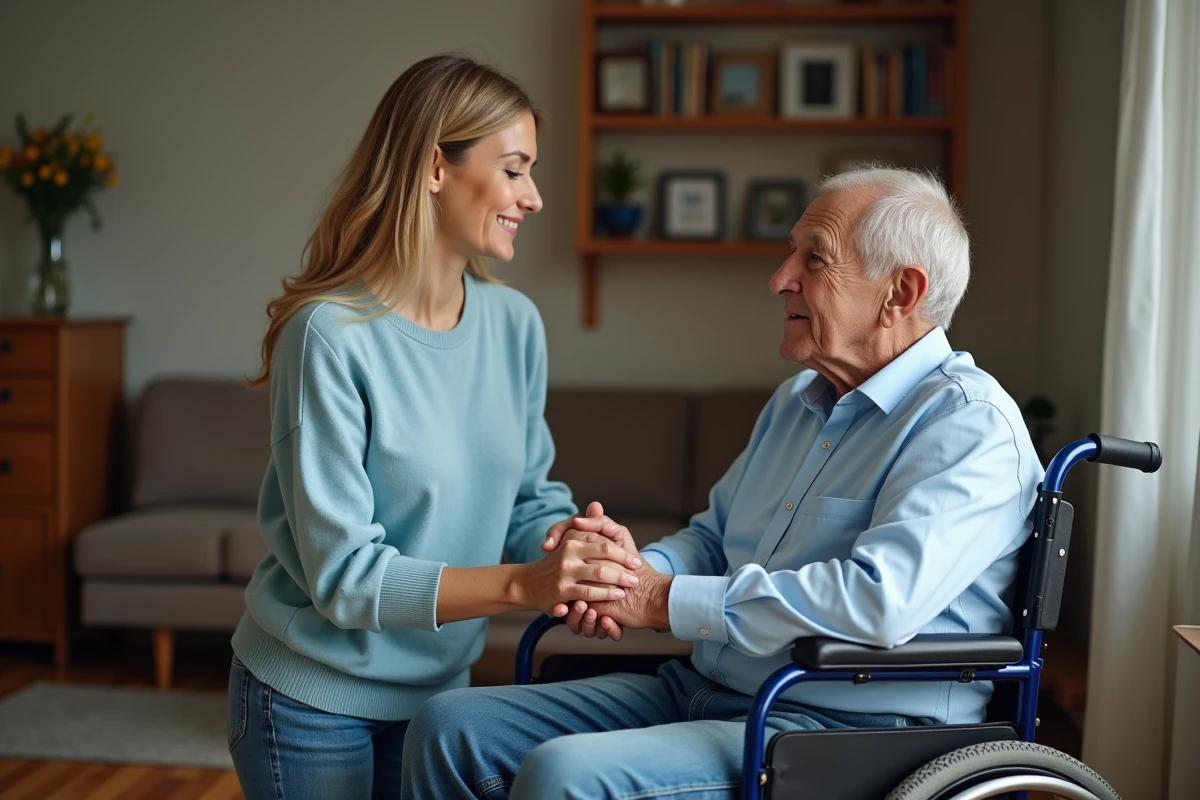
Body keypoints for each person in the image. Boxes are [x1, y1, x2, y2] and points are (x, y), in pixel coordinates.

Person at [402, 166, 1045, 799]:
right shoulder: (797, 401)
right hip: (706, 692)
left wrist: (661, 601)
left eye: (813, 259)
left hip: (839, 728)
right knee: (451, 726)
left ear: (900, 293)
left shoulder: (969, 428)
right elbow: (713, 538)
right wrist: (626, 576)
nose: (779, 278)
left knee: (565, 777)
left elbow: (875, 602)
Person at [227, 55, 641, 800]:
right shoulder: (328, 335)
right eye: (514, 170)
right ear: (433, 168)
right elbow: (345, 578)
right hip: (310, 699)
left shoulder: (514, 324)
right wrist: (527, 583)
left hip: (439, 703)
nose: (535, 197)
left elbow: (525, 497)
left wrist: (575, 551)